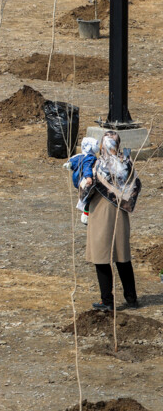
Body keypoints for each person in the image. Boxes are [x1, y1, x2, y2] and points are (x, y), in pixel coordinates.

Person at [86, 131, 142, 311]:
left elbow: (86, 188)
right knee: (122, 257)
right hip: (121, 214)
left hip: (101, 213)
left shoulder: (98, 165)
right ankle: (131, 299)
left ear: (103, 145)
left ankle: (107, 301)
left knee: (101, 257)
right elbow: (136, 185)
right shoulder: (127, 164)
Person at [63, 137, 99, 225]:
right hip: (83, 181)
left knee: (83, 195)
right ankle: (85, 216)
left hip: (76, 181)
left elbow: (72, 161)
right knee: (89, 197)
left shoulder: (80, 156)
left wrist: (69, 164)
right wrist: (88, 177)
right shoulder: (90, 158)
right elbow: (87, 168)